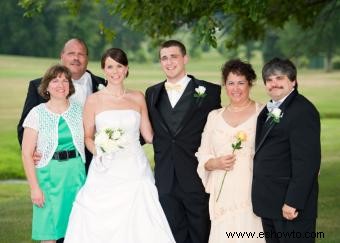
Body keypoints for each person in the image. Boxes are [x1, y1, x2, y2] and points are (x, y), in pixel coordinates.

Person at [64, 48, 175, 243]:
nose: (115, 71)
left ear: (126, 69)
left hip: (135, 167)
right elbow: (88, 137)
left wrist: (175, 136)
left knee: (142, 217)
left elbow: (148, 135)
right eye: (110, 67)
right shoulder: (94, 100)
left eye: (119, 66)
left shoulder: (138, 97)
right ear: (103, 70)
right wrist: (99, 151)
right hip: (105, 167)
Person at [145, 40, 221, 243]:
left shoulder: (210, 92)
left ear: (185, 58)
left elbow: (218, 131)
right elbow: (146, 130)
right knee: (172, 233)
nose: (169, 62)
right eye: (164, 58)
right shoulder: (152, 93)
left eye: (174, 56)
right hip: (165, 177)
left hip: (196, 175)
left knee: (201, 231)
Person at [252, 58, 321, 243]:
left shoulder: (302, 111)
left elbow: (307, 162)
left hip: (290, 207)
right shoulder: (269, 110)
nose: (273, 84)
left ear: (293, 81)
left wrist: (293, 202)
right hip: (270, 203)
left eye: (279, 78)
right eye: (269, 80)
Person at [195, 59, 265, 243]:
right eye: (231, 83)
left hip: (251, 190)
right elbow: (203, 153)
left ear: (250, 83)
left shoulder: (263, 114)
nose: (236, 88)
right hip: (223, 193)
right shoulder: (214, 116)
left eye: (241, 82)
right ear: (224, 85)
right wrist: (214, 163)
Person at [17, 38, 105, 171]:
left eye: (81, 54)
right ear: (62, 56)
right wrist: (33, 151)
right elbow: (25, 126)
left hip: (98, 161)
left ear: (87, 58)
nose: (76, 58)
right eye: (71, 53)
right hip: (54, 165)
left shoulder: (104, 85)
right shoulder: (38, 86)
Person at [21, 64, 86, 243]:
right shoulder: (37, 113)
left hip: (76, 176)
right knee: (49, 232)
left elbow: (91, 138)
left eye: (65, 80)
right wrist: (34, 188)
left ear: (70, 86)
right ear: (46, 86)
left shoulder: (79, 110)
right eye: (55, 80)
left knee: (77, 230)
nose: (61, 84)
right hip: (48, 178)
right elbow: (27, 154)